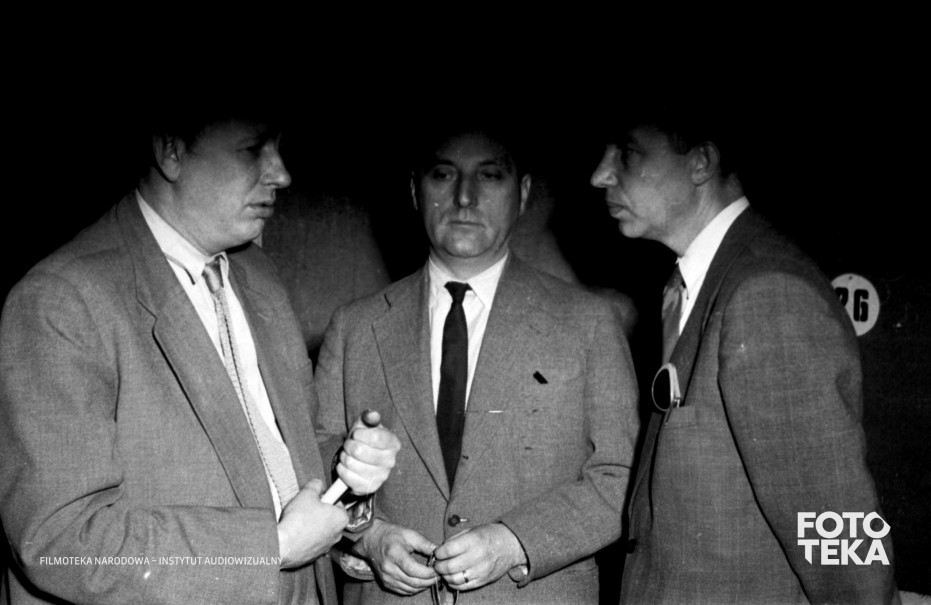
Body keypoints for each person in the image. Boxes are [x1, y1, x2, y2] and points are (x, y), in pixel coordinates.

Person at [0, 100, 400, 605]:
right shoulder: (62, 299)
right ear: (170, 150)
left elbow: (279, 456)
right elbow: (59, 540)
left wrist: (349, 464)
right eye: (252, 148)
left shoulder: (256, 274)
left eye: (278, 147)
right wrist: (272, 547)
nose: (281, 174)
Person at [312, 121, 640, 604]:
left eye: (489, 176)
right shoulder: (353, 327)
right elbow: (311, 461)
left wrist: (514, 542)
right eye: (443, 175)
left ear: (522, 192)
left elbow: (621, 479)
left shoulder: (588, 323)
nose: (464, 197)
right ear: (415, 190)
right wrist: (370, 537)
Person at [590, 105, 900, 604]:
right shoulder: (692, 283)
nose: (600, 175)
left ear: (701, 162)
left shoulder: (767, 292)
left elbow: (835, 521)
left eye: (627, 153)